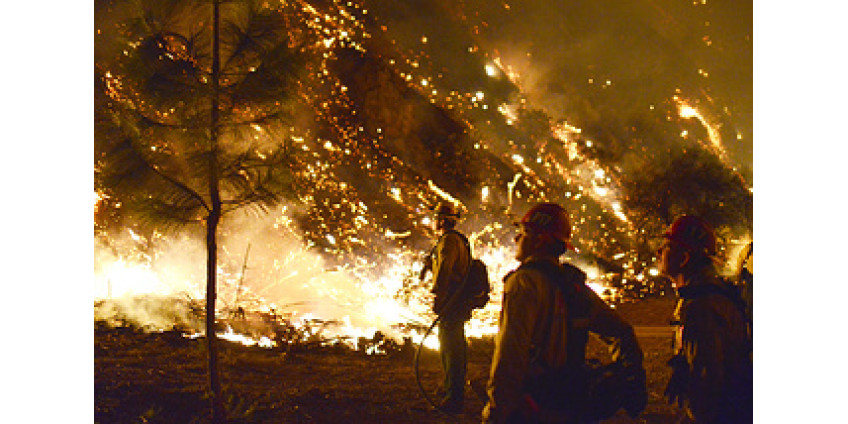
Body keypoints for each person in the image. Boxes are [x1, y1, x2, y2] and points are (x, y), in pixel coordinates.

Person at [483, 203, 646, 423]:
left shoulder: (524, 282)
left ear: (540, 239)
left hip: (535, 406)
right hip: (570, 405)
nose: (516, 240)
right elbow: (622, 332)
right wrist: (630, 378)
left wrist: (497, 412)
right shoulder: (573, 286)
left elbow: (510, 355)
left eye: (522, 233)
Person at [659, 215, 753, 423]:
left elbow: (706, 384)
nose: (659, 252)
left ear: (684, 258)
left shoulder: (701, 308)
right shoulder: (704, 297)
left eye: (666, 246)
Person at [425, 202, 472, 414]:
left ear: (443, 220)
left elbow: (445, 268)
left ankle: (453, 397)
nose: (434, 221)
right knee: (451, 347)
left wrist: (439, 296)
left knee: (451, 349)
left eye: (437, 217)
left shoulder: (449, 241)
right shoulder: (455, 240)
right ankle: (450, 390)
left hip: (451, 301)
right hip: (456, 301)